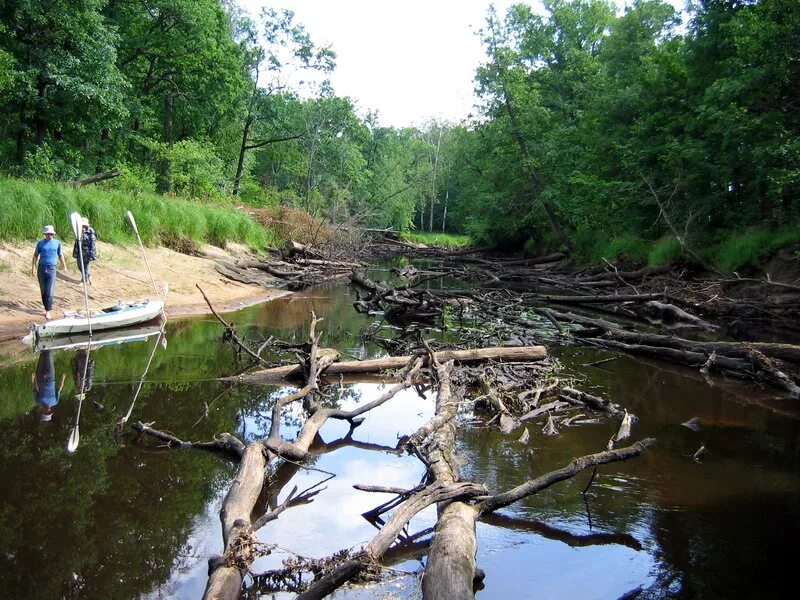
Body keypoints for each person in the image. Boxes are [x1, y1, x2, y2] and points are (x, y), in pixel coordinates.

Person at [31, 225, 68, 320]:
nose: (50, 236)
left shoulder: (57, 243)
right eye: (48, 234)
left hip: (52, 268)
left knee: (49, 290)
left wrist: (64, 266)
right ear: (45, 234)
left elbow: (60, 255)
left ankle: (48, 311)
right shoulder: (40, 243)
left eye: (51, 234)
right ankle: (46, 306)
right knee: (43, 290)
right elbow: (35, 255)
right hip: (42, 268)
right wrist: (33, 268)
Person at [31, 349, 66, 422]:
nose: (48, 410)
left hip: (40, 377)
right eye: (49, 412)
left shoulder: (38, 401)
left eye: (46, 412)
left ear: (42, 412)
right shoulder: (55, 402)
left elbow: (34, 389)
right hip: (50, 377)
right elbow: (59, 389)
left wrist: (32, 379)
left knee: (42, 353)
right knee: (48, 353)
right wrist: (62, 379)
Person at [72, 217, 97, 284]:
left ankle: (84, 281)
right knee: (79, 266)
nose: (83, 227)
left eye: (84, 225)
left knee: (85, 267)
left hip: (87, 253)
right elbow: (77, 243)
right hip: (80, 252)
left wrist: (92, 255)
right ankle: (88, 276)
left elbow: (92, 245)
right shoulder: (78, 232)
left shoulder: (90, 233)